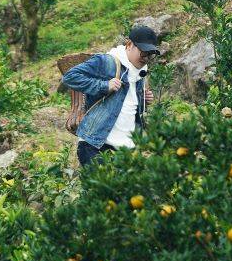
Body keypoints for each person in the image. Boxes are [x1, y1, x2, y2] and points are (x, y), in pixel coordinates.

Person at [62, 24, 159, 167]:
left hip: (126, 152)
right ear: (129, 45)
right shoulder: (107, 62)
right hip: (96, 147)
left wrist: (143, 101)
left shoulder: (140, 74)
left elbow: (125, 108)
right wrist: (104, 86)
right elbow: (70, 77)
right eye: (143, 52)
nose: (146, 58)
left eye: (150, 54)